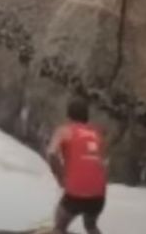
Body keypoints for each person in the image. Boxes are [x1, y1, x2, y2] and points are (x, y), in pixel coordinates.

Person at [46, 96, 108, 232]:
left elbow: (51, 153)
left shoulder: (64, 131)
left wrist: (61, 177)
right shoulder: (96, 134)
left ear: (69, 116)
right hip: (99, 195)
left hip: (75, 193)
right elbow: (102, 163)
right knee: (90, 225)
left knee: (60, 226)